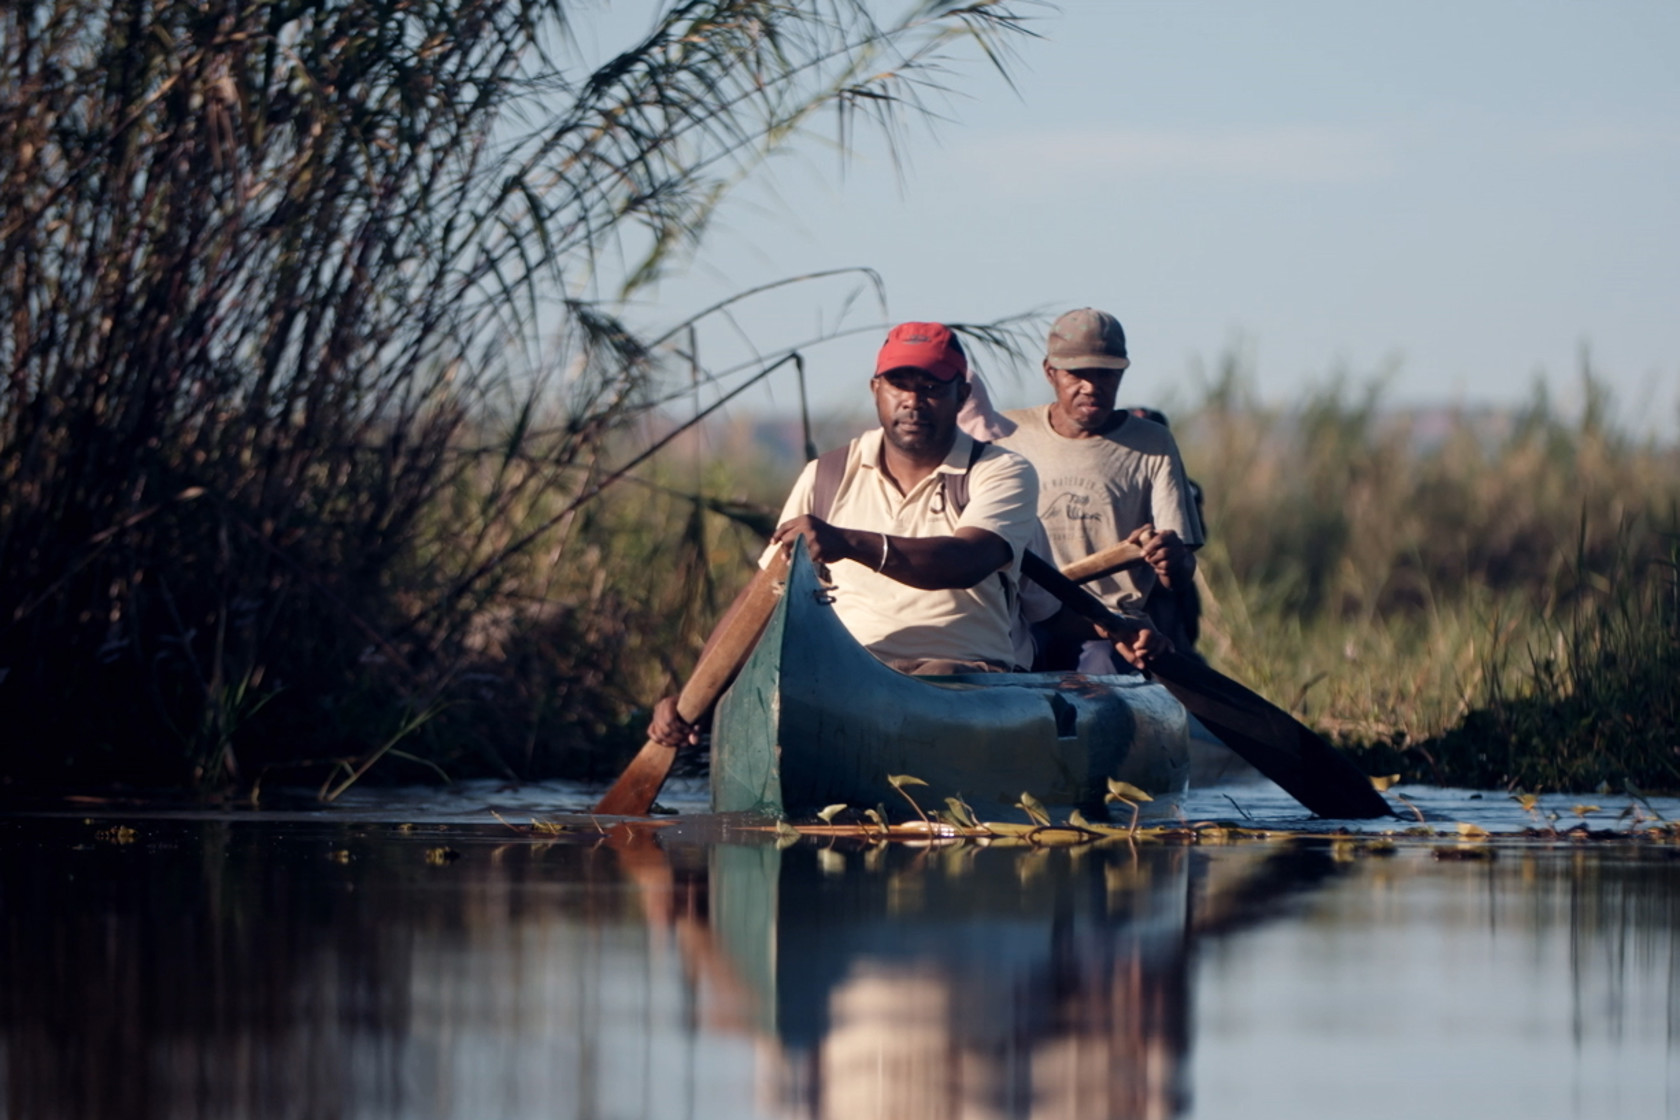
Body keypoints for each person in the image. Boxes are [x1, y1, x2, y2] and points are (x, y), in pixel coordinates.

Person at [650, 321, 1170, 747]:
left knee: (935, 679)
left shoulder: (1001, 473)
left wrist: (850, 542)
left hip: (961, 674)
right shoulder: (826, 476)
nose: (914, 401)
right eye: (900, 384)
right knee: (778, 691)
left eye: (932, 387)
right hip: (848, 674)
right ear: (877, 389)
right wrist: (695, 697)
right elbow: (758, 600)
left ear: (961, 393)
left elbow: (966, 559)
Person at [995, 308, 1205, 673]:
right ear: (1050, 372)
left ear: (1122, 373)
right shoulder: (1008, 434)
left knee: (1102, 678)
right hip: (1020, 617)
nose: (1091, 387)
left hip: (1108, 627)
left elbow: (1179, 573)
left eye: (1105, 375)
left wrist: (1172, 559)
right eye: (1077, 375)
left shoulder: (1152, 444)